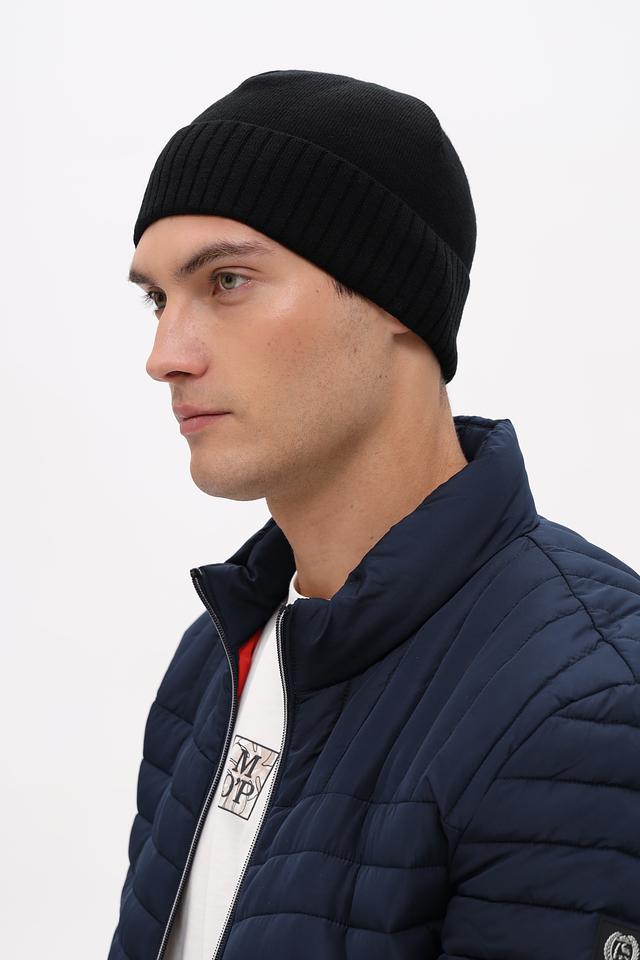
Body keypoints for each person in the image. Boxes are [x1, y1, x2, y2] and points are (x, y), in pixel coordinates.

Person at [109, 69, 640, 960]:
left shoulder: (587, 706)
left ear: (392, 292)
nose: (165, 355)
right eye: (159, 299)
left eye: (228, 281)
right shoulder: (213, 662)